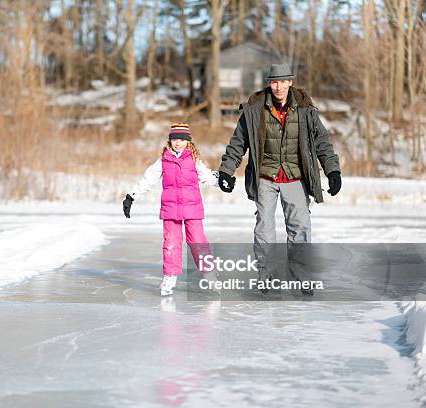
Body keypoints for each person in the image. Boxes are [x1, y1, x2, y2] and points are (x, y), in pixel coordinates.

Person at [217, 63, 342, 295]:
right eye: (275, 82)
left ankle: (301, 277)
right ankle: (266, 276)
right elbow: (238, 142)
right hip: (265, 176)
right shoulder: (254, 110)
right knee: (264, 228)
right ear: (269, 83)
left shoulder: (306, 109)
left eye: (283, 81)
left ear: (290, 82)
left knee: (300, 228)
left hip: (295, 176)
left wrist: (332, 170)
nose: (279, 86)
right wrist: (226, 170)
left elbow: (322, 141)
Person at [123, 122, 219, 296]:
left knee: (198, 242)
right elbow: (148, 179)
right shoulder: (164, 160)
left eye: (182, 139)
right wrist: (131, 196)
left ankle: (209, 274)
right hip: (171, 209)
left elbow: (208, 177)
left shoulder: (194, 159)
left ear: (188, 141)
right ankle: (169, 277)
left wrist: (222, 181)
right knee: (171, 244)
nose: (178, 143)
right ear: (170, 140)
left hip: (192, 208)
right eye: (175, 139)